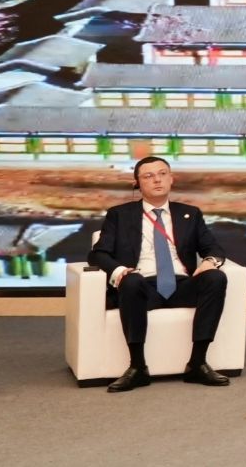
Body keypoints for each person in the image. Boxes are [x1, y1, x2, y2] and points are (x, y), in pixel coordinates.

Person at [87, 156, 232, 393]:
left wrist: (210, 262)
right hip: (143, 287)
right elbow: (98, 254)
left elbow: (213, 249)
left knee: (216, 278)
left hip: (181, 285)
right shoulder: (119, 215)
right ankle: (137, 368)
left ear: (171, 179)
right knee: (131, 282)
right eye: (149, 176)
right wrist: (121, 271)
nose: (157, 180)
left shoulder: (190, 214)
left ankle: (197, 363)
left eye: (163, 174)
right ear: (137, 183)